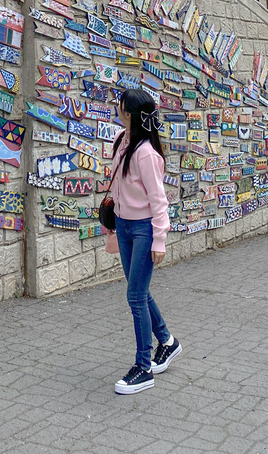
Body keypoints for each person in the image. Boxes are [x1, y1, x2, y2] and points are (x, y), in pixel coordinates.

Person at [105, 88, 181, 394]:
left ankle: (143, 366)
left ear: (130, 113)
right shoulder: (122, 141)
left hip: (144, 230)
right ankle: (167, 341)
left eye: (121, 105)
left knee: (135, 296)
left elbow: (158, 200)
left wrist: (159, 240)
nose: (117, 108)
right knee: (138, 290)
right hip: (123, 226)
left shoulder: (146, 153)